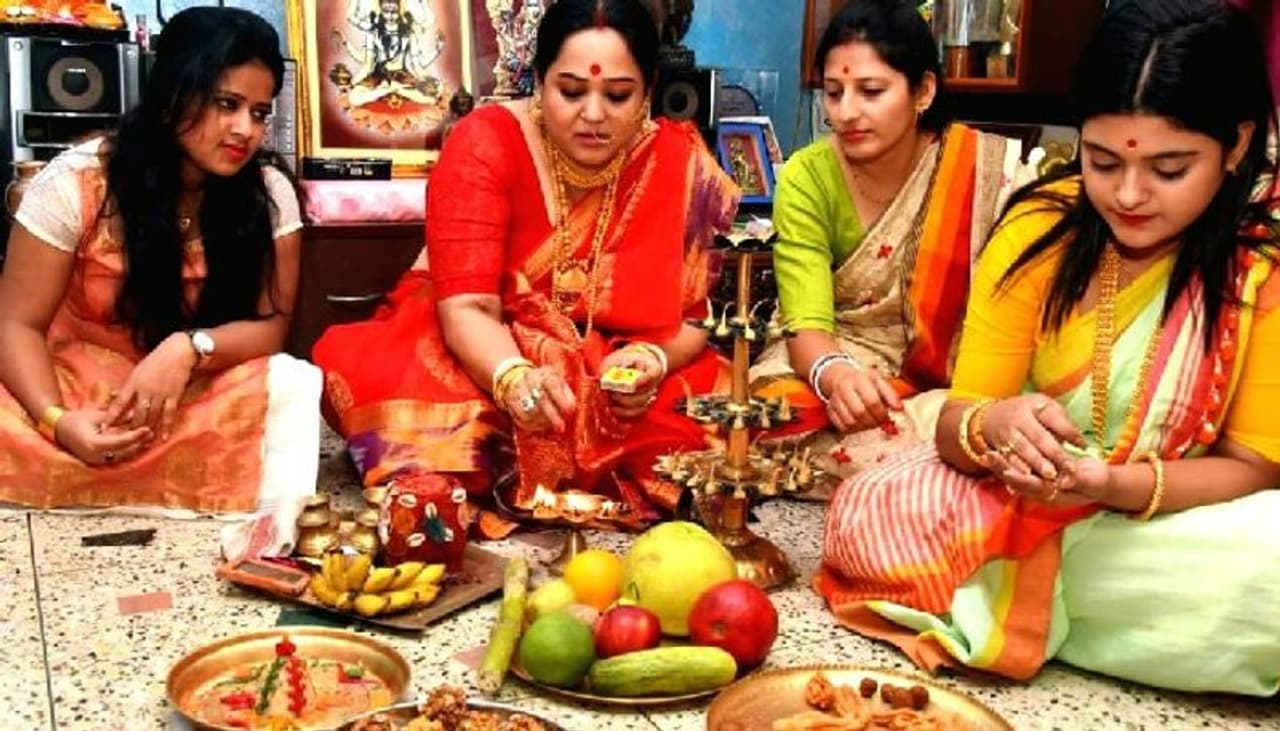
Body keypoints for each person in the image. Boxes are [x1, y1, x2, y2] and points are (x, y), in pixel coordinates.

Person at [817, 0, 1280, 695]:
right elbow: (958, 422)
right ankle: (1107, 619)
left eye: (1170, 169)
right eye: (1102, 161)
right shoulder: (1041, 229)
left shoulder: (1261, 262)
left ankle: (1023, 604)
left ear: (1236, 145)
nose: (1129, 194)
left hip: (1181, 520)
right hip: (1020, 503)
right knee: (863, 510)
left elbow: (1254, 467)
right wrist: (996, 426)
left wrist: (1117, 486)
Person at [313, 0, 738, 536]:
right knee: (403, 396)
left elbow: (693, 319)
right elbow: (468, 308)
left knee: (728, 414)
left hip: (609, 353)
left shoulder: (678, 161)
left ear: (649, 91)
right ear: (538, 81)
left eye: (618, 95)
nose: (593, 115)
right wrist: (513, 378)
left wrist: (652, 360)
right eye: (571, 91)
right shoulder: (483, 142)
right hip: (480, 337)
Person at [0, 7, 319, 516]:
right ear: (172, 96)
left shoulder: (269, 193)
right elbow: (16, 324)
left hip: (189, 390)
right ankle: (120, 469)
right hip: (73, 386)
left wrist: (188, 349)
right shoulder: (77, 181)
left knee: (291, 386)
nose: (245, 129)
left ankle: (91, 483)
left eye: (259, 113)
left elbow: (272, 330)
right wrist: (56, 420)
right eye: (227, 104)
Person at [749, 0, 1030, 487]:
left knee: (983, 422)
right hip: (835, 357)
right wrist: (838, 378)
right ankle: (933, 467)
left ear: (923, 91)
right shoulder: (807, 177)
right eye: (833, 93)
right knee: (764, 414)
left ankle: (932, 451)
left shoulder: (986, 172)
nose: (847, 112)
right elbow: (806, 324)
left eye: (871, 91)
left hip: (959, 372)